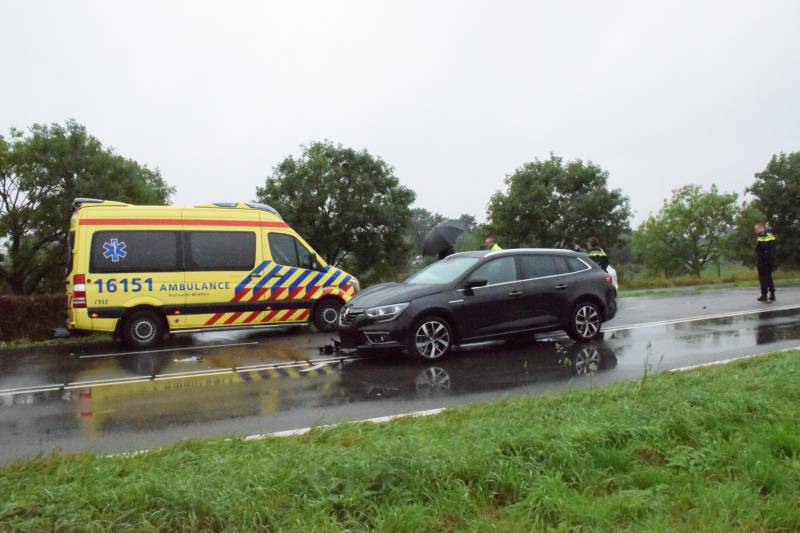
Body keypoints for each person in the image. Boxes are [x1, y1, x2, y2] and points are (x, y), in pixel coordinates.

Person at [754, 223, 777, 303]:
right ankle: (772, 294)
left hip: (764, 261)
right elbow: (773, 248)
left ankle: (764, 295)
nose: (756, 231)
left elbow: (763, 249)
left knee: (763, 278)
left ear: (761, 228)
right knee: (769, 277)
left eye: (756, 229)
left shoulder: (762, 237)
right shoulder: (770, 235)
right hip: (771, 260)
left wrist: (761, 258)